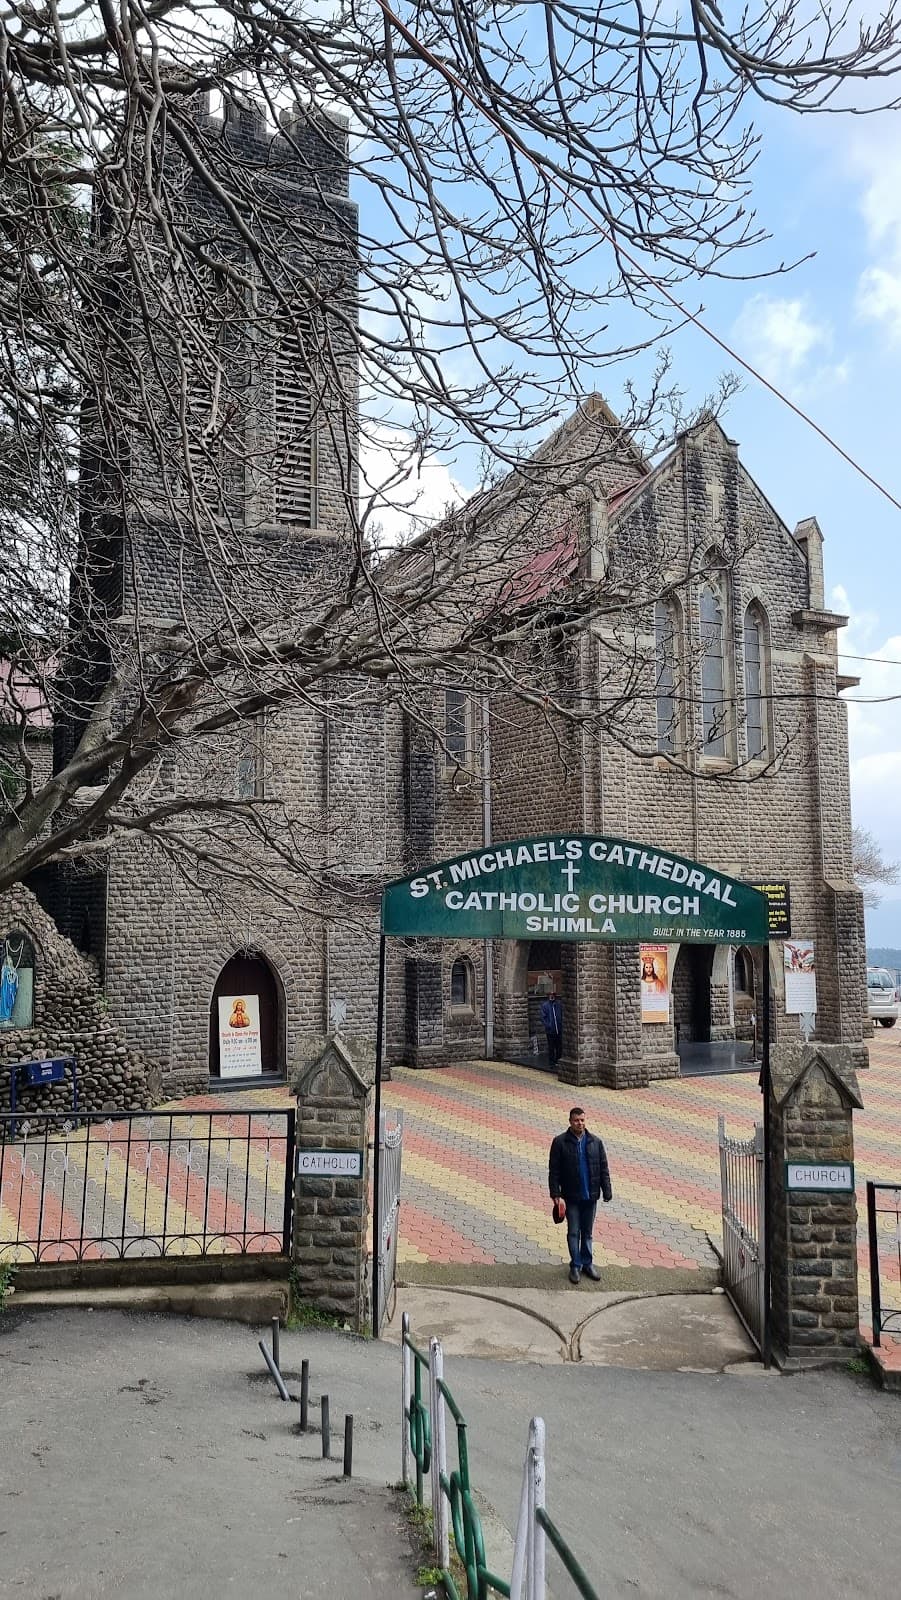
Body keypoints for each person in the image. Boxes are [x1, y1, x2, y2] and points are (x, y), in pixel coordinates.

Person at [548, 1107, 613, 1284]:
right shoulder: (560, 1142)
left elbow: (603, 1168)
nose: (580, 1123)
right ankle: (575, 1265)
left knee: (588, 1233)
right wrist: (556, 1194)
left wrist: (607, 1191)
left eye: (583, 1120)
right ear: (570, 1121)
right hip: (571, 1197)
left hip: (590, 1197)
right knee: (574, 1232)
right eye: (577, 1120)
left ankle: (587, 1263)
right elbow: (554, 1171)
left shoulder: (595, 1142)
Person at [540, 990, 563, 1066]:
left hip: (558, 1029)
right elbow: (543, 1017)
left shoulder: (558, 1004)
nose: (552, 996)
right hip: (550, 1030)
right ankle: (552, 1062)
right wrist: (548, 1025)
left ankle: (558, 1060)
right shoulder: (545, 1005)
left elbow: (561, 1015)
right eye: (550, 994)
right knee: (551, 1047)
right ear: (548, 996)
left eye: (553, 994)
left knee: (559, 1046)